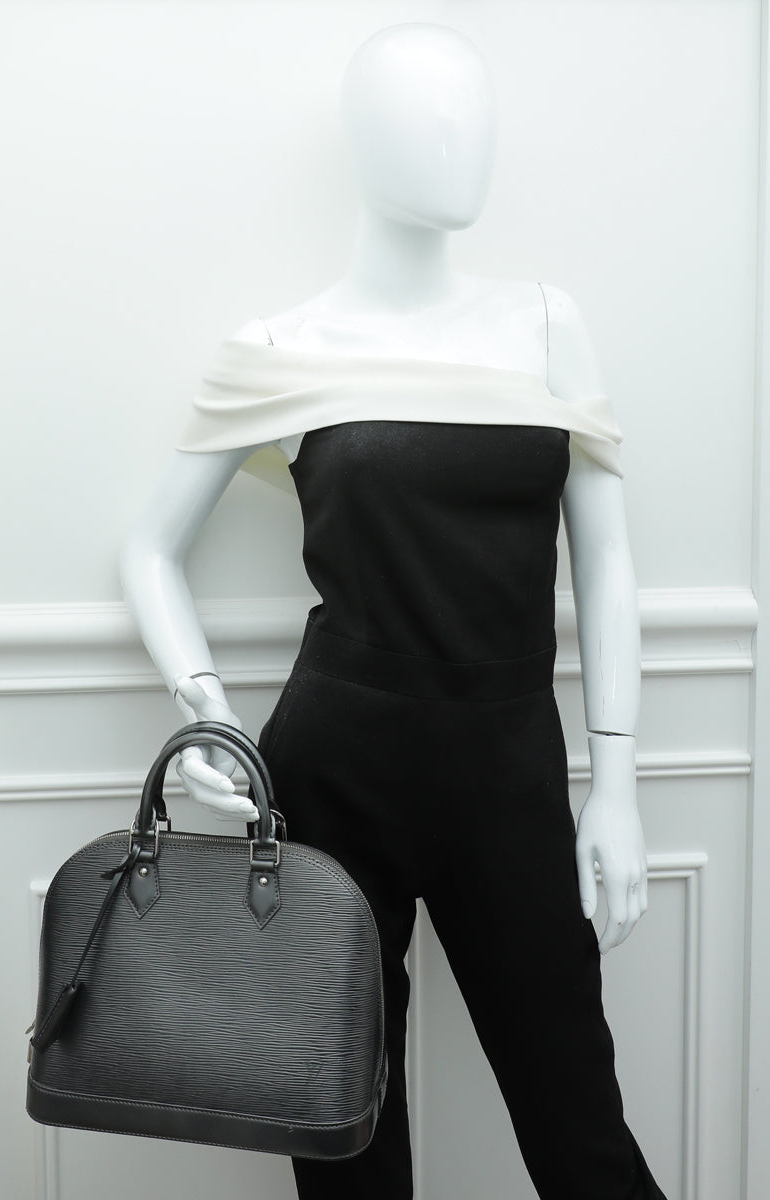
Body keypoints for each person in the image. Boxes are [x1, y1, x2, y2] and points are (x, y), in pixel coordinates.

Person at [121, 22, 667, 1200]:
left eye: (474, 117)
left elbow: (607, 556)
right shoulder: (281, 347)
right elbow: (148, 547)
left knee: (579, 1129)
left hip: (511, 766)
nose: (460, 144)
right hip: (332, 775)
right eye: (425, 118)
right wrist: (207, 716)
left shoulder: (544, 324)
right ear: (362, 142)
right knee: (345, 1138)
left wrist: (617, 779)